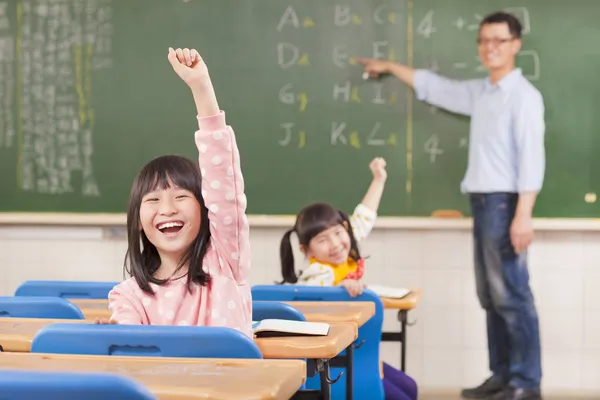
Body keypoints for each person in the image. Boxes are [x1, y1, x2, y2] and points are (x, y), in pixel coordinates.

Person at [357, 11, 544, 400]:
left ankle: (526, 383)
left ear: (516, 45)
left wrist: (523, 213)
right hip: (484, 203)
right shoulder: (484, 92)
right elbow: (436, 87)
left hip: (506, 204)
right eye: (484, 41)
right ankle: (502, 376)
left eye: (500, 41)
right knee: (490, 296)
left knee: (512, 295)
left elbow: (532, 158)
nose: (491, 48)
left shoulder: (523, 97)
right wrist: (391, 66)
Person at [100, 47, 252, 338]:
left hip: (229, 384)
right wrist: (112, 336)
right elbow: (130, 351)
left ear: (206, 209)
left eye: (181, 196)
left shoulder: (224, 262)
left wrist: (201, 87)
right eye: (153, 200)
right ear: (137, 220)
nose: (167, 209)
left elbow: (225, 186)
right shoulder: (128, 296)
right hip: (162, 386)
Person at [279, 158, 418, 400]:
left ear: (345, 228)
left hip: (356, 355)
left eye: (338, 233)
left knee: (409, 386)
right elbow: (314, 302)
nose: (335, 244)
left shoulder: (346, 248)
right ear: (307, 251)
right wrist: (341, 290)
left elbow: (365, 216)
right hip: (333, 361)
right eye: (322, 240)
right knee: (403, 395)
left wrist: (379, 179)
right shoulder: (319, 273)